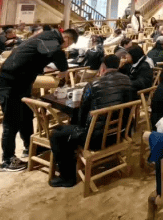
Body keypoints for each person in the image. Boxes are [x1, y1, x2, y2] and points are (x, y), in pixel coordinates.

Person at [0, 28, 77, 172]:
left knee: (26, 117)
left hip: (21, 84)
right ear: (67, 39)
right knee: (11, 123)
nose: (65, 47)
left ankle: (30, 147)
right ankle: (6, 160)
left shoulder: (46, 39)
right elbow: (57, 53)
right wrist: (64, 70)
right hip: (9, 85)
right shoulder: (50, 39)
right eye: (67, 45)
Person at [49, 55, 136, 187]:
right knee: (69, 129)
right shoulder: (127, 81)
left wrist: (75, 125)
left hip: (96, 140)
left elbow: (82, 114)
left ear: (103, 67)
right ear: (118, 66)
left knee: (56, 134)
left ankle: (67, 178)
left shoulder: (93, 84)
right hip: (120, 133)